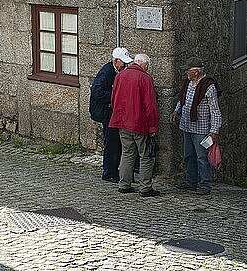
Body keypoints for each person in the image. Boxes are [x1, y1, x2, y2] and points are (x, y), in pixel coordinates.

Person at [109, 53, 161, 197]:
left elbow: (113, 99)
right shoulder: (145, 78)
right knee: (146, 156)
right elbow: (150, 105)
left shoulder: (120, 76)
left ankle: (124, 184)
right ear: (144, 65)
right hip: (139, 123)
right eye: (147, 66)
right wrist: (153, 126)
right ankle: (145, 187)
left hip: (122, 121)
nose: (147, 68)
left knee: (127, 153)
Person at [170, 57, 221, 195]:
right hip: (186, 126)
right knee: (188, 156)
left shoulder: (208, 87)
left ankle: (205, 184)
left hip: (201, 129)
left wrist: (214, 131)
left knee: (202, 158)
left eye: (188, 70)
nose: (186, 72)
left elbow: (215, 111)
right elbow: (183, 100)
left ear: (196, 72)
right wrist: (176, 110)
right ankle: (190, 182)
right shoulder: (188, 83)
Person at [89, 47, 133, 183]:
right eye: (123, 63)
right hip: (105, 111)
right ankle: (109, 171)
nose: (125, 66)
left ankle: (114, 169)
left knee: (115, 141)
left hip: (110, 110)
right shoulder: (106, 72)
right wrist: (114, 97)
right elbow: (97, 92)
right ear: (116, 61)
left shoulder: (115, 71)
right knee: (111, 141)